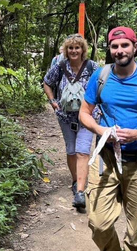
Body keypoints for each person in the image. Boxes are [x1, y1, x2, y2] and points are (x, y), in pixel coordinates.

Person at [79, 26, 137, 251]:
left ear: (135, 47)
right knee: (99, 225)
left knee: (135, 234)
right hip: (107, 159)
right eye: (115, 46)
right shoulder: (100, 76)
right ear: (110, 50)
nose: (120, 50)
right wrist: (100, 131)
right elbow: (84, 112)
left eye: (125, 45)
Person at [43, 33, 98, 210]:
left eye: (77, 47)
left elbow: (103, 85)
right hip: (66, 116)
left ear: (83, 49)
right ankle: (75, 181)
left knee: (83, 150)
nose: (74, 51)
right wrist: (53, 102)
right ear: (66, 51)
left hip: (87, 116)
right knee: (71, 149)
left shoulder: (92, 67)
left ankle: (80, 192)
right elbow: (47, 83)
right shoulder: (60, 66)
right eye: (71, 48)